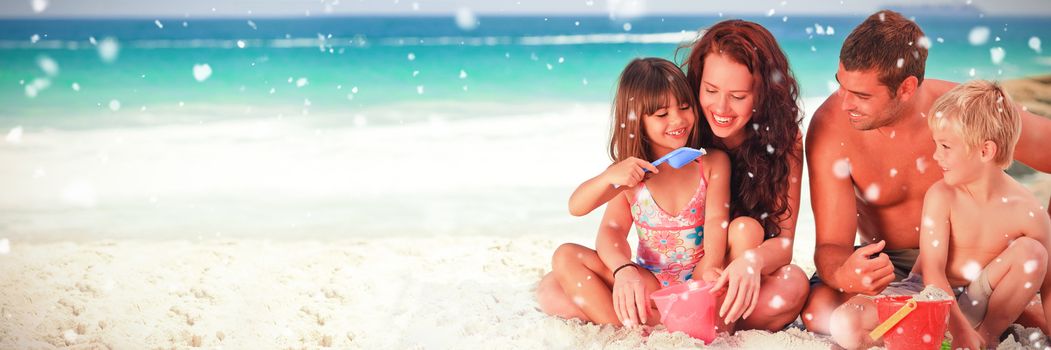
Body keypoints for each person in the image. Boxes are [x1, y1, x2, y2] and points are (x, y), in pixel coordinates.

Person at [802, 10, 1051, 335]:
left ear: (906, 88)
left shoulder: (963, 112)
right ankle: (969, 314)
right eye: (841, 85)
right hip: (890, 265)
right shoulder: (831, 128)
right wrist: (846, 273)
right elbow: (831, 245)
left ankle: (975, 313)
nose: (843, 102)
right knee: (817, 312)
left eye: (862, 95)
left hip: (970, 260)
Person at [829, 80, 1051, 349]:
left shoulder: (1029, 212)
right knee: (844, 322)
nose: (936, 155)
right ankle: (945, 332)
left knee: (1033, 253)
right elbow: (933, 273)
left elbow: (1048, 286)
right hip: (925, 295)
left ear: (985, 151)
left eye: (945, 147)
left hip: (977, 301)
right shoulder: (941, 195)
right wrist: (956, 328)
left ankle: (986, 335)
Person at [534, 57, 733, 329]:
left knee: (556, 292)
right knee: (564, 258)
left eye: (685, 107)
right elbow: (597, 220)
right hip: (648, 282)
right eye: (662, 114)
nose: (678, 119)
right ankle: (630, 332)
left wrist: (709, 266)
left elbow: (715, 221)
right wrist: (624, 270)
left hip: (698, 279)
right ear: (637, 120)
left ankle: (636, 322)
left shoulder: (711, 163)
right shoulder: (628, 175)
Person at [681, 19, 811, 331]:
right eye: (710, 90)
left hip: (738, 270)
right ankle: (706, 318)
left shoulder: (784, 139)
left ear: (763, 94)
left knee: (793, 283)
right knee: (553, 290)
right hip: (685, 267)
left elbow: (783, 242)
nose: (721, 107)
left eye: (738, 96)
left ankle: (708, 321)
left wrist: (751, 262)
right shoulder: (683, 126)